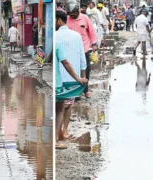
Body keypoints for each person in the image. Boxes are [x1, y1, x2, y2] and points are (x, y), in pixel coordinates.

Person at [55, 10, 88, 149]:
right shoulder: (76, 36)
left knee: (61, 107)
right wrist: (82, 76)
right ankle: (64, 131)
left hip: (59, 77)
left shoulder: (55, 37)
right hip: (73, 77)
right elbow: (82, 57)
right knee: (67, 105)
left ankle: (59, 135)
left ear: (58, 20)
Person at [66, 0, 98, 98]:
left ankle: (85, 90)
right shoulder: (66, 20)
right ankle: (76, 91)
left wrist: (94, 44)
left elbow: (91, 31)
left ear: (78, 11)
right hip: (71, 50)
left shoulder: (85, 18)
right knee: (73, 70)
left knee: (86, 69)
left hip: (84, 49)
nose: (72, 15)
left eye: (74, 13)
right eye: (70, 14)